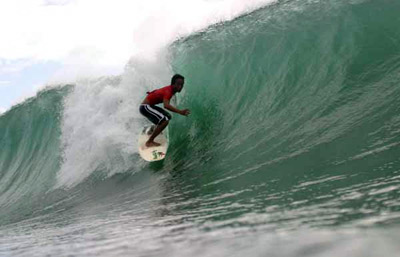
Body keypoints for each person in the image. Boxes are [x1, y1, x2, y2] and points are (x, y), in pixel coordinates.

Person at [139, 74, 190, 147]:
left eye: (182, 84)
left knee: (168, 116)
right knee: (165, 120)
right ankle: (149, 142)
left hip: (149, 106)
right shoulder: (168, 91)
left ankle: (152, 130)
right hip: (145, 107)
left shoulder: (171, 90)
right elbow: (166, 105)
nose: (180, 87)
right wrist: (180, 111)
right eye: (178, 84)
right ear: (173, 84)